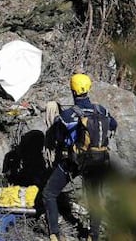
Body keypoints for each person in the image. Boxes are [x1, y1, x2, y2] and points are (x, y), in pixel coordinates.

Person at [42, 73, 117, 241]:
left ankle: (54, 234)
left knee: (49, 193)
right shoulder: (101, 110)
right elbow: (113, 125)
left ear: (73, 91)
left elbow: (58, 137)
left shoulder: (67, 115)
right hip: (98, 160)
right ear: (88, 89)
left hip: (74, 162)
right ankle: (93, 236)